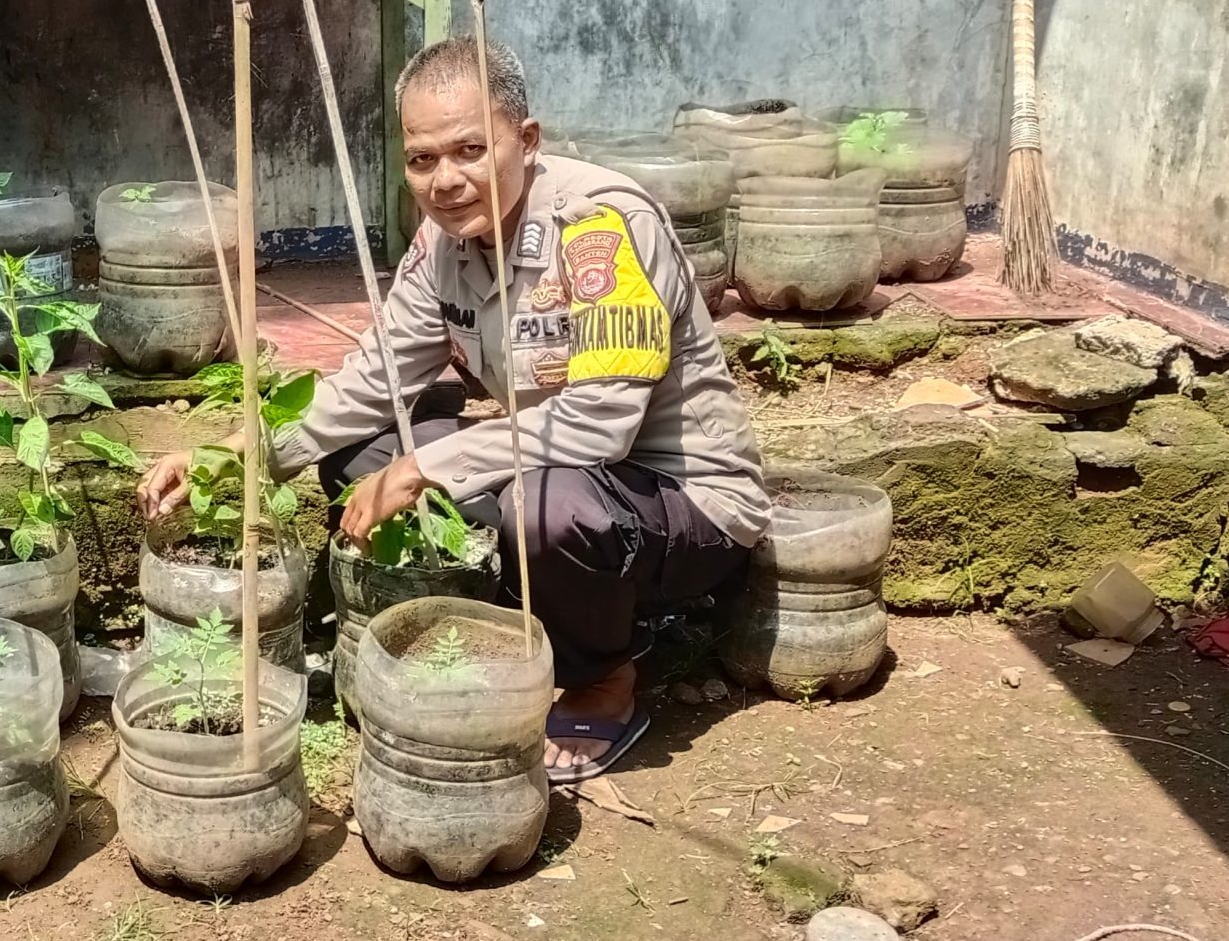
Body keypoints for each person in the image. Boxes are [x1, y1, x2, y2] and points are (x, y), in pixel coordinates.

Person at [140, 38, 769, 784]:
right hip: (550, 470)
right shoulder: (444, 243)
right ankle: (514, 612)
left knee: (542, 508)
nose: (445, 180)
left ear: (525, 141)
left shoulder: (600, 226)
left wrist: (429, 466)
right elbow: (371, 382)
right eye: (422, 159)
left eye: (470, 150)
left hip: (679, 502)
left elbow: (602, 424)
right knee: (366, 450)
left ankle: (606, 675)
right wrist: (230, 455)